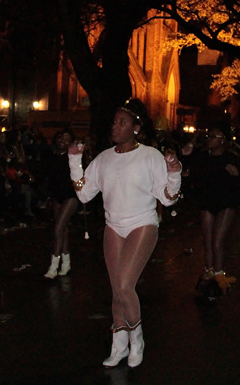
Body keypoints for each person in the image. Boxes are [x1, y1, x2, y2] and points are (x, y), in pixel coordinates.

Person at [68, 98, 181, 368]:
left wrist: (174, 174)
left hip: (142, 224)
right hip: (113, 226)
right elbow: (84, 194)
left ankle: (137, 338)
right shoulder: (104, 158)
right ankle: (119, 344)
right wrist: (74, 160)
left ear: (136, 128)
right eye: (114, 122)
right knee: (116, 288)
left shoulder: (150, 156)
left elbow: (167, 198)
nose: (115, 127)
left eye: (122, 123)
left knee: (124, 285)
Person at [181, 124, 240, 300]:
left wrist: (236, 173)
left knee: (217, 241)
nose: (209, 139)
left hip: (226, 203)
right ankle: (209, 275)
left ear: (223, 140)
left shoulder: (232, 158)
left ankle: (219, 276)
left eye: (213, 136)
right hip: (207, 202)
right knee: (208, 242)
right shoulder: (202, 158)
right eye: (208, 136)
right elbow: (189, 173)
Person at [42, 129, 80, 278]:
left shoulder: (73, 157)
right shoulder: (51, 156)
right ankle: (66, 263)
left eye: (66, 139)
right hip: (56, 195)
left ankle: (53, 265)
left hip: (70, 196)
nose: (62, 141)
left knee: (58, 229)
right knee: (62, 230)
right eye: (60, 138)